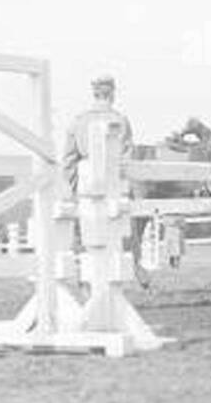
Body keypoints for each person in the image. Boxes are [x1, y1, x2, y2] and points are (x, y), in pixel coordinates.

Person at [61, 75, 147, 286]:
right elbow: (127, 158)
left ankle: (85, 280)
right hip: (114, 189)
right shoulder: (121, 120)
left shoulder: (78, 121)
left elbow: (68, 161)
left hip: (86, 187)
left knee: (84, 236)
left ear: (95, 93)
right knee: (124, 233)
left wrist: (76, 188)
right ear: (112, 94)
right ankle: (134, 269)